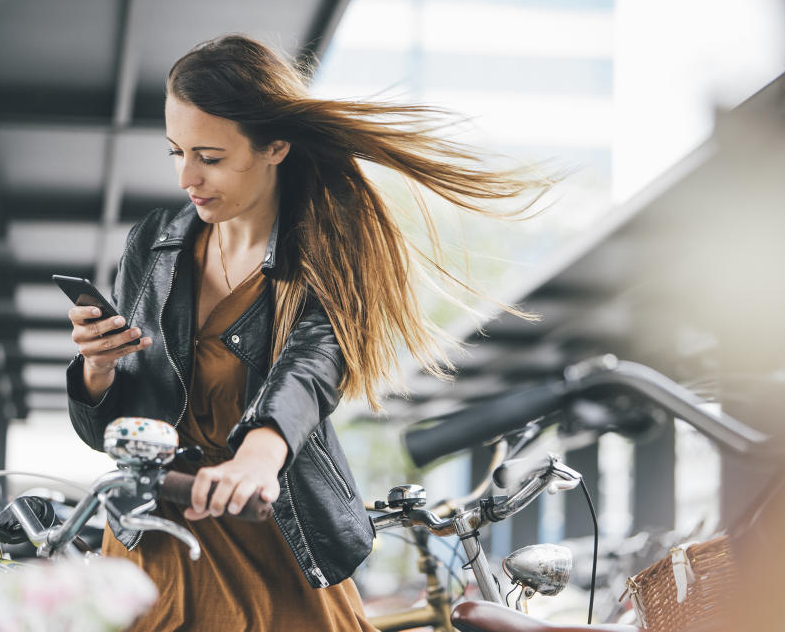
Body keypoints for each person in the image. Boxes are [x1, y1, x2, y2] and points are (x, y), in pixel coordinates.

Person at [65, 34, 553, 630]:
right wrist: (98, 369)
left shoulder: (325, 245)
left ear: (275, 146)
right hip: (151, 549)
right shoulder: (154, 243)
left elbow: (315, 363)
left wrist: (259, 456)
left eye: (210, 157)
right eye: (176, 152)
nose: (186, 177)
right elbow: (106, 433)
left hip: (274, 540)